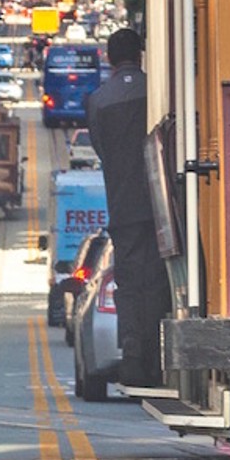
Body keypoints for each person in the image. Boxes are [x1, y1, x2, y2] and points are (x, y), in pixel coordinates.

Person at [85, 27, 167, 388]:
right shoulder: (159, 91)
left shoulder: (99, 101)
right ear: (141, 53)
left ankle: (135, 357)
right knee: (163, 278)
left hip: (123, 205)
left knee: (131, 283)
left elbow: (102, 150)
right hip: (164, 202)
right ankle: (162, 358)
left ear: (108, 57)